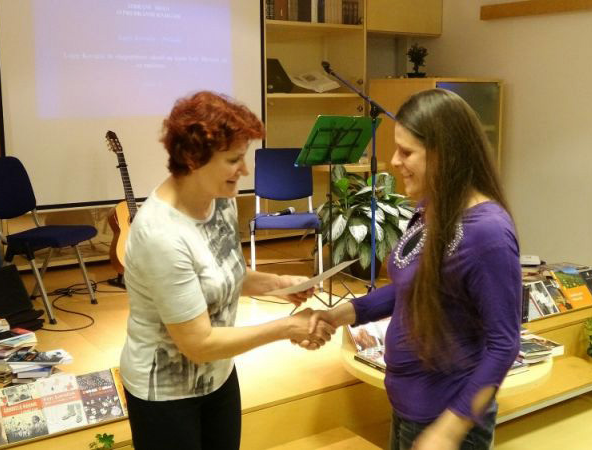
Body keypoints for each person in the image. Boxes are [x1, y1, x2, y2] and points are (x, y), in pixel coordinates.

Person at [307, 89, 521, 450]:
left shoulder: (488, 233)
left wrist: (450, 429)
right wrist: (342, 314)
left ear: (445, 153)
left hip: (445, 419)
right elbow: (415, 286)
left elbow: (505, 344)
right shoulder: (431, 207)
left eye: (406, 152)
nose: (393, 161)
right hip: (410, 407)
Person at [119, 90, 334, 450]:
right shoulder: (161, 235)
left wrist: (279, 283)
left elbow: (225, 273)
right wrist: (287, 327)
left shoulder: (220, 200)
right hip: (165, 395)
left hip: (218, 376)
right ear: (193, 159)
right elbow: (198, 344)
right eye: (234, 159)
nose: (245, 170)